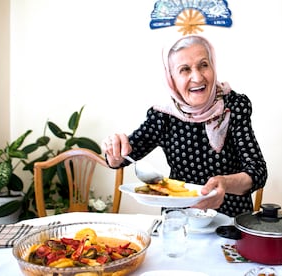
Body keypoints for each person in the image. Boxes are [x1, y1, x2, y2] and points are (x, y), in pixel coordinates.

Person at [102, 35, 267, 217]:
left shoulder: (234, 106)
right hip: (179, 221)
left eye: (204, 65)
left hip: (230, 221)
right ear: (171, 78)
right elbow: (124, 157)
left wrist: (225, 183)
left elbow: (257, 171)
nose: (197, 77)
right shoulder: (163, 116)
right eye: (185, 69)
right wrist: (114, 151)